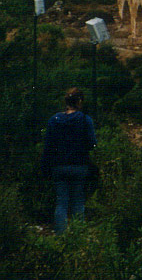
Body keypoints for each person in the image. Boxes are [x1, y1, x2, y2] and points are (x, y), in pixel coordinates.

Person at [41, 87, 96, 233]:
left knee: (61, 202)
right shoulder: (85, 119)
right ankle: (78, 236)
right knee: (78, 201)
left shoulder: (54, 120)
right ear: (79, 101)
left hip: (58, 167)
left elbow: (48, 146)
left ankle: (60, 237)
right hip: (79, 166)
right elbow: (92, 143)